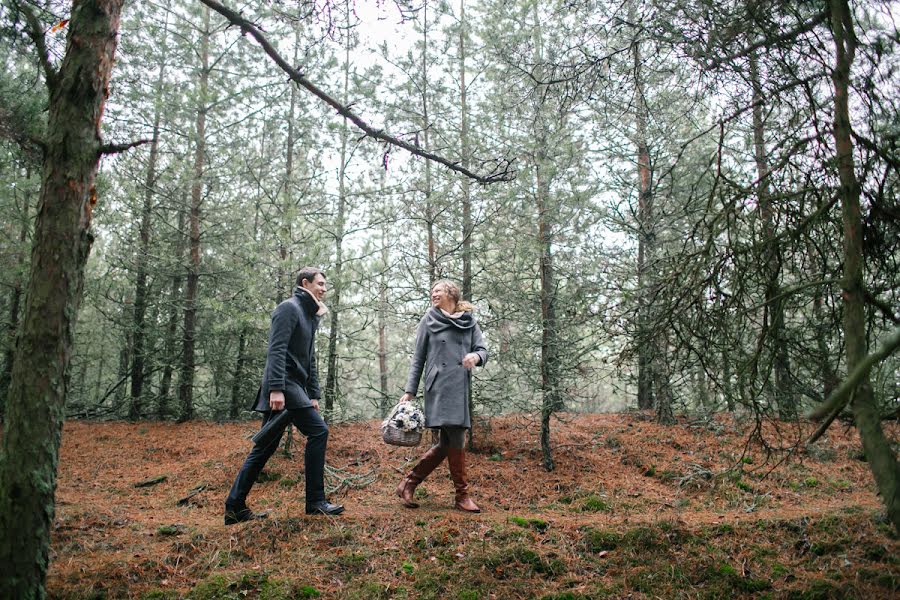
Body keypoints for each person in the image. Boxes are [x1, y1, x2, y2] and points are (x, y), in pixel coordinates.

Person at [224, 267, 344, 524]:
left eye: (325, 285)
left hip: (296, 388)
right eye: (320, 284)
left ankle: (234, 506)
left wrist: (313, 393)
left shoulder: (310, 314)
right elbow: (276, 351)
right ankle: (315, 501)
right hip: (284, 385)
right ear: (305, 283)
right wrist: (276, 389)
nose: (324, 289)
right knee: (319, 431)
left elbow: (309, 359)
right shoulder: (288, 308)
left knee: (264, 447)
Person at [396, 279, 488, 513]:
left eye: (437, 290)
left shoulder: (469, 321)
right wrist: (410, 391)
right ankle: (462, 496)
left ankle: (409, 482)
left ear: (451, 294)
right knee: (454, 438)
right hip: (437, 387)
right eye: (432, 291)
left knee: (447, 442)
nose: (433, 294)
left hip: (459, 386)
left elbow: (482, 350)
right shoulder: (429, 320)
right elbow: (418, 358)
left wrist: (475, 358)